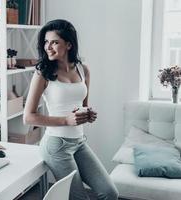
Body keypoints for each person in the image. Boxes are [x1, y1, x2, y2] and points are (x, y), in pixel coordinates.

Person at [23, 19, 119, 200]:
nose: (48, 47)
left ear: (68, 44)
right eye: (45, 42)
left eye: (54, 42)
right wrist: (65, 120)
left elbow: (82, 106)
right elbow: (28, 117)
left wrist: (88, 114)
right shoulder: (43, 73)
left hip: (79, 143)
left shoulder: (84, 70)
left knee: (110, 193)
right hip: (56, 145)